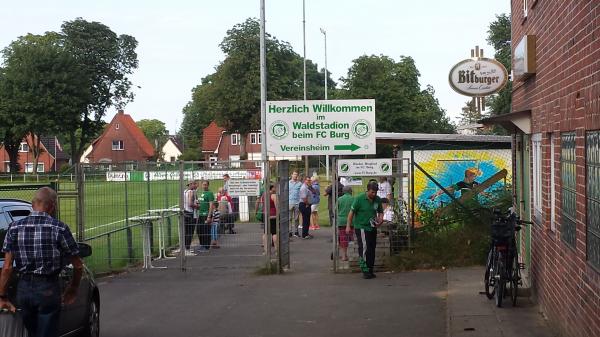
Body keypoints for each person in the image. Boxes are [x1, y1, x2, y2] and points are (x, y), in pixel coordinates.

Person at [0, 187, 83, 337]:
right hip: (48, 288)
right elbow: (77, 265)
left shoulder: (14, 228)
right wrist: (73, 288)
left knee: (32, 332)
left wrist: (2, 296)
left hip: (23, 289)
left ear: (33, 204)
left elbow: (7, 267)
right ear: (52, 206)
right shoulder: (60, 228)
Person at [346, 181, 383, 279]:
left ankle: (370, 269)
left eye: (375, 192)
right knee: (364, 248)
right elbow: (351, 213)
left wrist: (380, 219)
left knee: (372, 248)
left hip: (372, 227)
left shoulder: (377, 200)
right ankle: (365, 270)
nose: (374, 194)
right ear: (367, 190)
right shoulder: (359, 199)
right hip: (361, 227)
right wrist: (348, 226)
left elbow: (380, 212)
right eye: (372, 192)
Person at [337, 185, 354, 261]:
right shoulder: (354, 199)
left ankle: (344, 255)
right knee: (353, 238)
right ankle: (353, 255)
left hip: (341, 221)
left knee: (343, 239)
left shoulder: (339, 199)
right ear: (351, 191)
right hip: (352, 221)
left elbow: (335, 209)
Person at [197, 180, 215, 251]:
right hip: (200, 214)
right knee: (199, 230)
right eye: (203, 185)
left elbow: (211, 205)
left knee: (206, 230)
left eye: (205, 185)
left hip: (206, 214)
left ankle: (206, 246)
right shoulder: (202, 193)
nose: (204, 186)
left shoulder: (210, 193)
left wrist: (209, 216)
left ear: (208, 185)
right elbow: (200, 204)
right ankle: (202, 244)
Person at [259, 184, 278, 254]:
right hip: (273, 215)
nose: (275, 189)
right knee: (274, 233)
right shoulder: (273, 196)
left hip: (265, 215)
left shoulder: (263, 196)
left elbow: (262, 205)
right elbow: (277, 207)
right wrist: (278, 214)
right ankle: (276, 250)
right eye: (274, 187)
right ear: (272, 188)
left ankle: (266, 250)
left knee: (265, 233)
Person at [182, 180, 199, 256]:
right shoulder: (191, 192)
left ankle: (186, 248)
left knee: (186, 232)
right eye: (195, 184)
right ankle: (187, 249)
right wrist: (197, 206)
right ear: (191, 184)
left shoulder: (185, 191)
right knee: (190, 232)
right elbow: (190, 203)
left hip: (185, 212)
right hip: (190, 213)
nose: (196, 186)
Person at [288, 171, 302, 237]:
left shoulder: (300, 184)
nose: (295, 176)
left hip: (297, 203)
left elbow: (301, 193)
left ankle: (296, 231)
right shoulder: (288, 183)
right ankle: (289, 231)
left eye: (296, 174)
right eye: (294, 174)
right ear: (291, 175)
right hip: (289, 203)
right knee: (289, 218)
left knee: (296, 218)